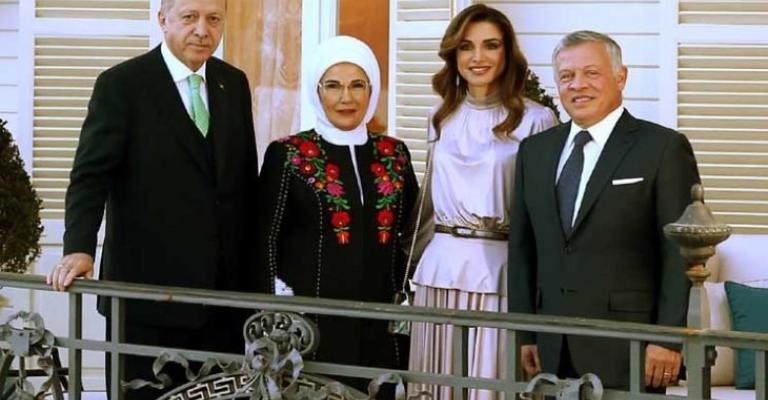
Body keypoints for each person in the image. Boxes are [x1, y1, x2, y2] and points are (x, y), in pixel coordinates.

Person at [46, 0, 259, 398]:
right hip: (145, 299)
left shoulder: (233, 83)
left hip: (223, 302)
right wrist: (78, 247)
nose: (202, 30)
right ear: (163, 20)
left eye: (214, 19)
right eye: (190, 17)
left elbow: (245, 181)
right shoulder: (122, 84)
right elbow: (90, 176)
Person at [507, 30, 700, 391]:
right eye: (567, 76)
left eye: (591, 73)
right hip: (551, 346)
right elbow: (522, 249)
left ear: (620, 77)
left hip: (628, 347)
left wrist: (668, 338)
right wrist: (525, 333)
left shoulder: (663, 148)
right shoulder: (534, 152)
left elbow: (679, 252)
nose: (577, 85)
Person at [407, 4, 559, 400]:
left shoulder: (537, 119)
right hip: (440, 270)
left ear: (507, 53)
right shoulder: (439, 117)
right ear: (453, 55)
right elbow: (428, 203)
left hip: (500, 272)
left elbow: (546, 217)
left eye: (490, 45)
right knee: (435, 385)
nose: (478, 57)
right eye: (466, 47)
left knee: (489, 386)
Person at [256, 35, 418, 392]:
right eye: (333, 86)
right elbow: (264, 241)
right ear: (317, 91)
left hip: (381, 326)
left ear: (372, 90)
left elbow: (412, 233)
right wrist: (273, 316)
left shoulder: (394, 154)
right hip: (310, 329)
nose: (347, 97)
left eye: (358, 85)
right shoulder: (289, 155)